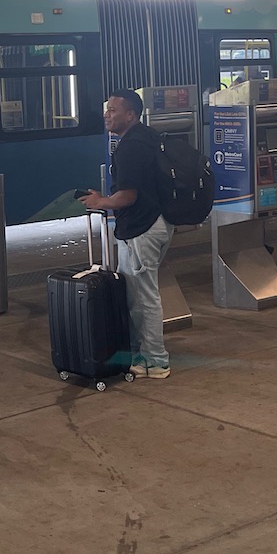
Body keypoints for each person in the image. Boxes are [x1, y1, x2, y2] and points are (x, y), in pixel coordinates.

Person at [78, 91, 172, 379]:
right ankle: (143, 355)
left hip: (141, 228)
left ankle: (157, 361)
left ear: (130, 115)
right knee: (138, 296)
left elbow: (129, 196)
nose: (107, 114)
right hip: (157, 223)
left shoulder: (130, 147)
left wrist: (101, 202)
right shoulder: (149, 136)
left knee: (144, 298)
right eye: (107, 109)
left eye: (113, 110)